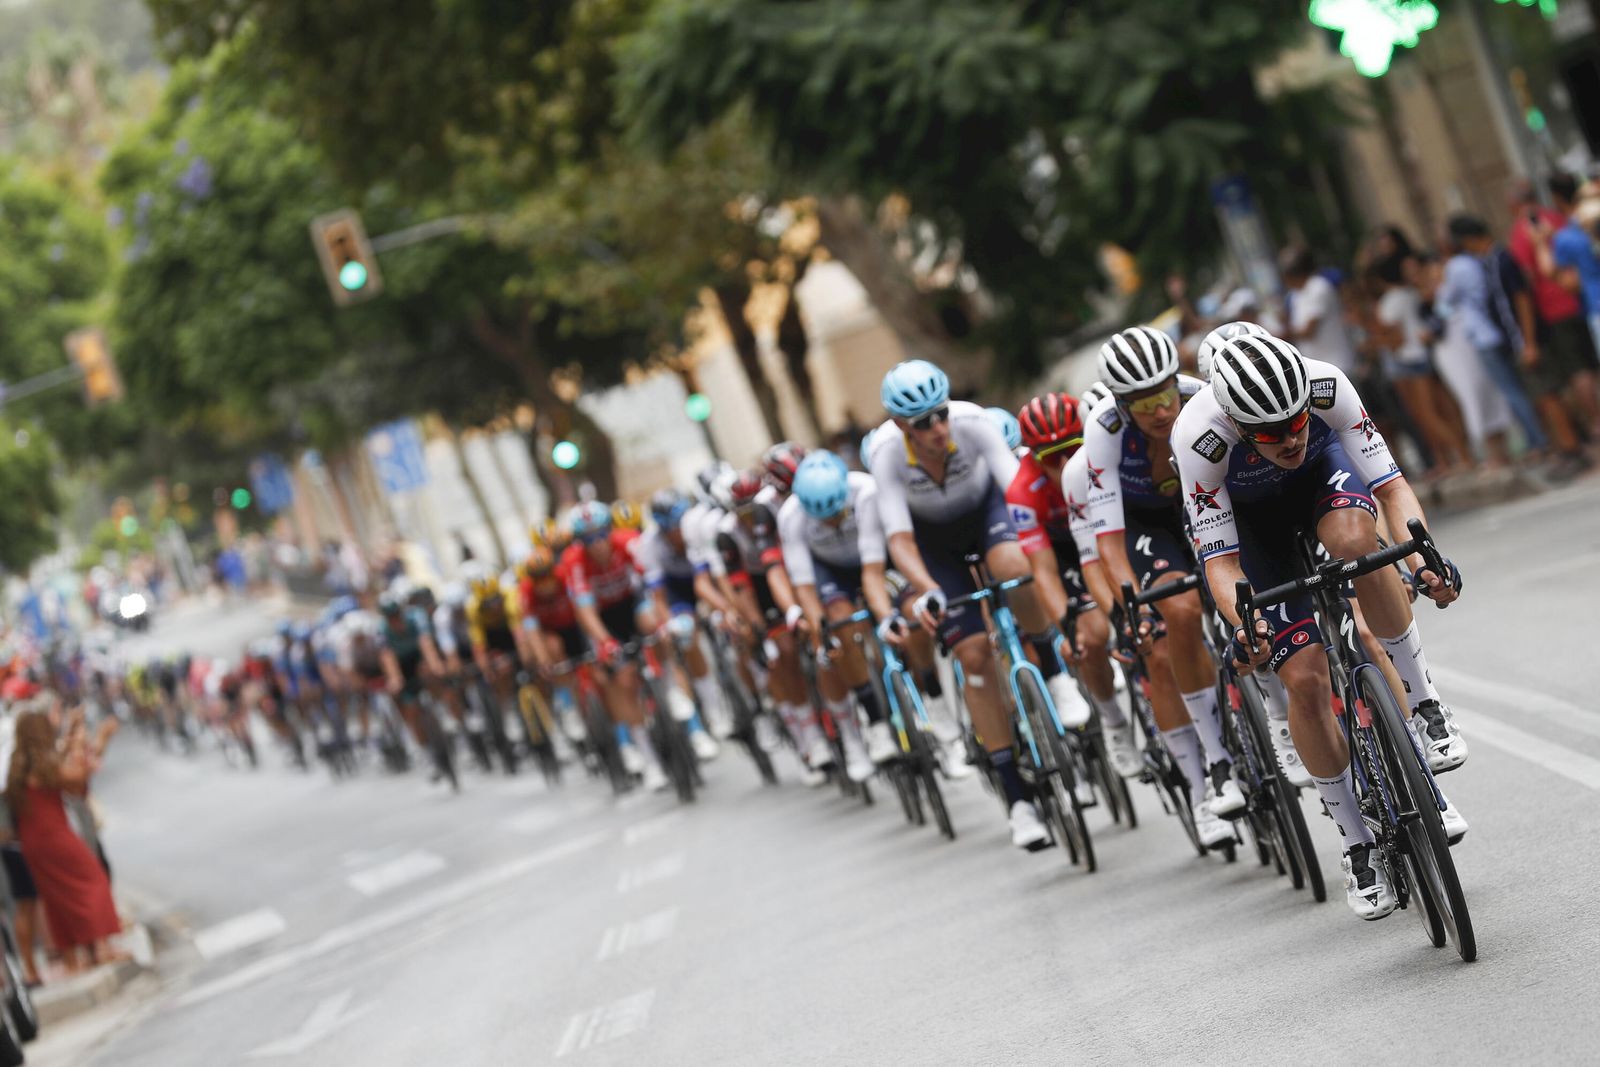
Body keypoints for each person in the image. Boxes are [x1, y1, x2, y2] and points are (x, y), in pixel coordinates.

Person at [1174, 333, 1469, 921]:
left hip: (1323, 484)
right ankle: (1358, 844)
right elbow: (1221, 564)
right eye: (1270, 433)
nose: (1290, 438)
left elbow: (1390, 487)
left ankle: (1425, 704)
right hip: (1251, 527)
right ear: (1236, 423)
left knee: (1360, 545)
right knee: (1304, 678)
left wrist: (1423, 560)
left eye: (1297, 421)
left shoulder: (1327, 383)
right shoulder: (1199, 437)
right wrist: (1249, 626)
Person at [866, 360, 1082, 851]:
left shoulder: (972, 422)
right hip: (932, 543)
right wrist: (927, 588)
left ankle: (1054, 673)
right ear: (901, 426)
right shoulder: (886, 454)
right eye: (923, 423)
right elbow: (899, 540)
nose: (938, 428)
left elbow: (1018, 493)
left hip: (989, 512)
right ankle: (1018, 801)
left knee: (1013, 563)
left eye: (941, 413)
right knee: (973, 656)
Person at [1083, 327, 1243, 849]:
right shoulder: (1104, 431)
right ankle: (1210, 773)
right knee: (1177, 614)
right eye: (1143, 403)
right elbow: (1108, 545)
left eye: (1165, 393)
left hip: (1206, 503)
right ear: (1121, 404)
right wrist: (1133, 608)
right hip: (1146, 525)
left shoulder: (1201, 399)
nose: (1160, 410)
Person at [1006, 392, 1140, 778]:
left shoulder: (1099, 460)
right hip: (1063, 553)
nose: (1065, 463)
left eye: (1071, 448)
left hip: (1108, 533)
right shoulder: (1022, 491)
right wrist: (1066, 627)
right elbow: (1044, 572)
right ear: (1033, 456)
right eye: (1051, 457)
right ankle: (1113, 719)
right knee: (1091, 636)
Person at [4, 711, 125, 974]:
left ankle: (78, 956)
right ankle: (101, 947)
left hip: (31, 842)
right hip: (53, 834)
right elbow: (76, 780)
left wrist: (72, 737)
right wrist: (98, 740)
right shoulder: (42, 765)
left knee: (57, 898)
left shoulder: (18, 767)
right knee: (93, 880)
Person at [1439, 214, 1552, 459]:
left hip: (1492, 336)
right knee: (1524, 390)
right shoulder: (1482, 262)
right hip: (1502, 333)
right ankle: (1541, 440)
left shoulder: (1475, 263)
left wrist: (1528, 342)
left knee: (1521, 391)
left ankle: (1539, 441)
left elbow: (1445, 303)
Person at [1366, 260, 1474, 477]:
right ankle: (1449, 459)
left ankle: (1463, 456)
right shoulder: (1409, 294)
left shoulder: (1390, 301)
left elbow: (1395, 339)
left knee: (1426, 416)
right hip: (1422, 355)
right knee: (1439, 410)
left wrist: (1375, 339)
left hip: (1407, 361)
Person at [1513, 175, 1600, 441]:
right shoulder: (1565, 222)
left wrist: (1541, 244)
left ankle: (1596, 424)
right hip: (1581, 306)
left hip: (1564, 308)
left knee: (1578, 370)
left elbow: (1542, 274)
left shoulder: (1529, 232)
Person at [1280, 246, 1360, 377]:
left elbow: (1308, 331)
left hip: (1337, 364)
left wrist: (1283, 335)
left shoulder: (1319, 287)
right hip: (1316, 369)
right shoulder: (1295, 295)